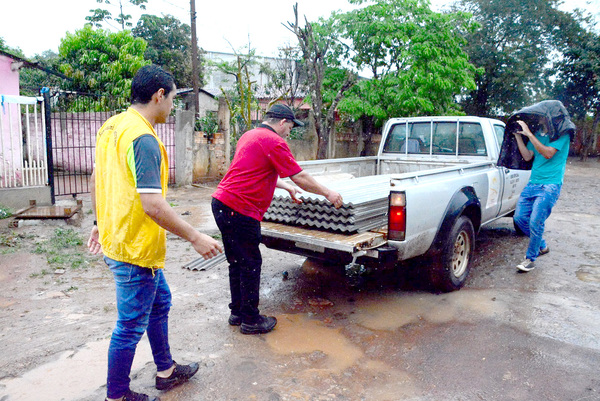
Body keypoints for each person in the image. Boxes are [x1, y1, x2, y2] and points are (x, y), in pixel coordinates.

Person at [87, 64, 222, 401]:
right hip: (134, 248)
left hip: (120, 239)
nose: (173, 107)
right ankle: (116, 396)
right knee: (130, 326)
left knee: (160, 301)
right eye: (173, 99)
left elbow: (96, 178)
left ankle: (166, 371)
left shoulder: (112, 126)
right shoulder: (142, 138)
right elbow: (153, 206)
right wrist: (195, 236)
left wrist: (98, 223)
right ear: (159, 95)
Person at [212, 104, 343, 335]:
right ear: (282, 122)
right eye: (290, 127)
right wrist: (328, 193)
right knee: (251, 263)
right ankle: (251, 320)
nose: (289, 133)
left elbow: (256, 170)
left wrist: (286, 187)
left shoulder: (251, 135)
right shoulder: (274, 141)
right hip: (239, 209)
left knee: (237, 262)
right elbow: (301, 176)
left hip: (222, 204)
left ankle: (238, 312)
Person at [512, 116, 570, 272]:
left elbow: (548, 153)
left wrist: (529, 134)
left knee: (536, 221)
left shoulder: (563, 135)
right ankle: (542, 245)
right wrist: (518, 136)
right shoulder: (538, 133)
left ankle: (530, 259)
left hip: (550, 185)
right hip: (533, 183)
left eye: (542, 115)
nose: (539, 118)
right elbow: (527, 156)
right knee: (519, 218)